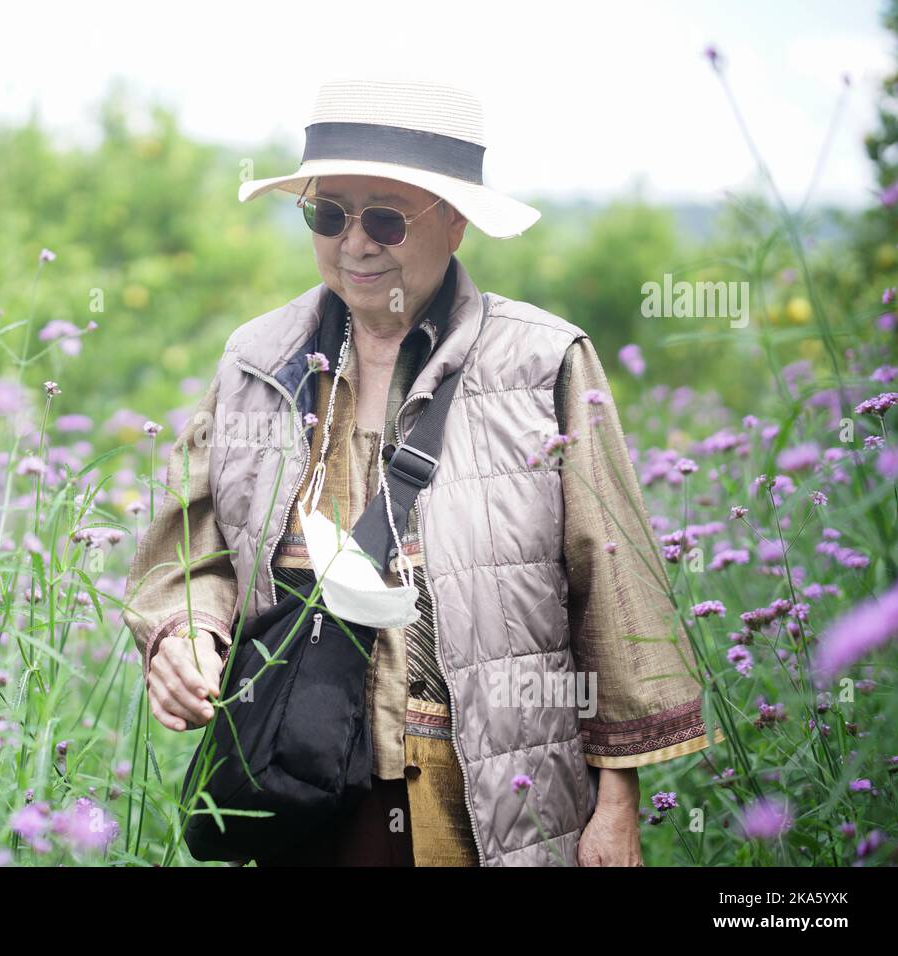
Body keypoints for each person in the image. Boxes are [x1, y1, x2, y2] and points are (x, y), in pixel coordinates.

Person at [123, 78, 723, 867]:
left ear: (456, 221)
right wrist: (185, 636)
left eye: (385, 218)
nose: (355, 244)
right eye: (329, 215)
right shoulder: (254, 361)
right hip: (296, 790)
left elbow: (614, 595)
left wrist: (616, 807)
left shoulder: (543, 363)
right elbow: (188, 549)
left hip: (490, 804)